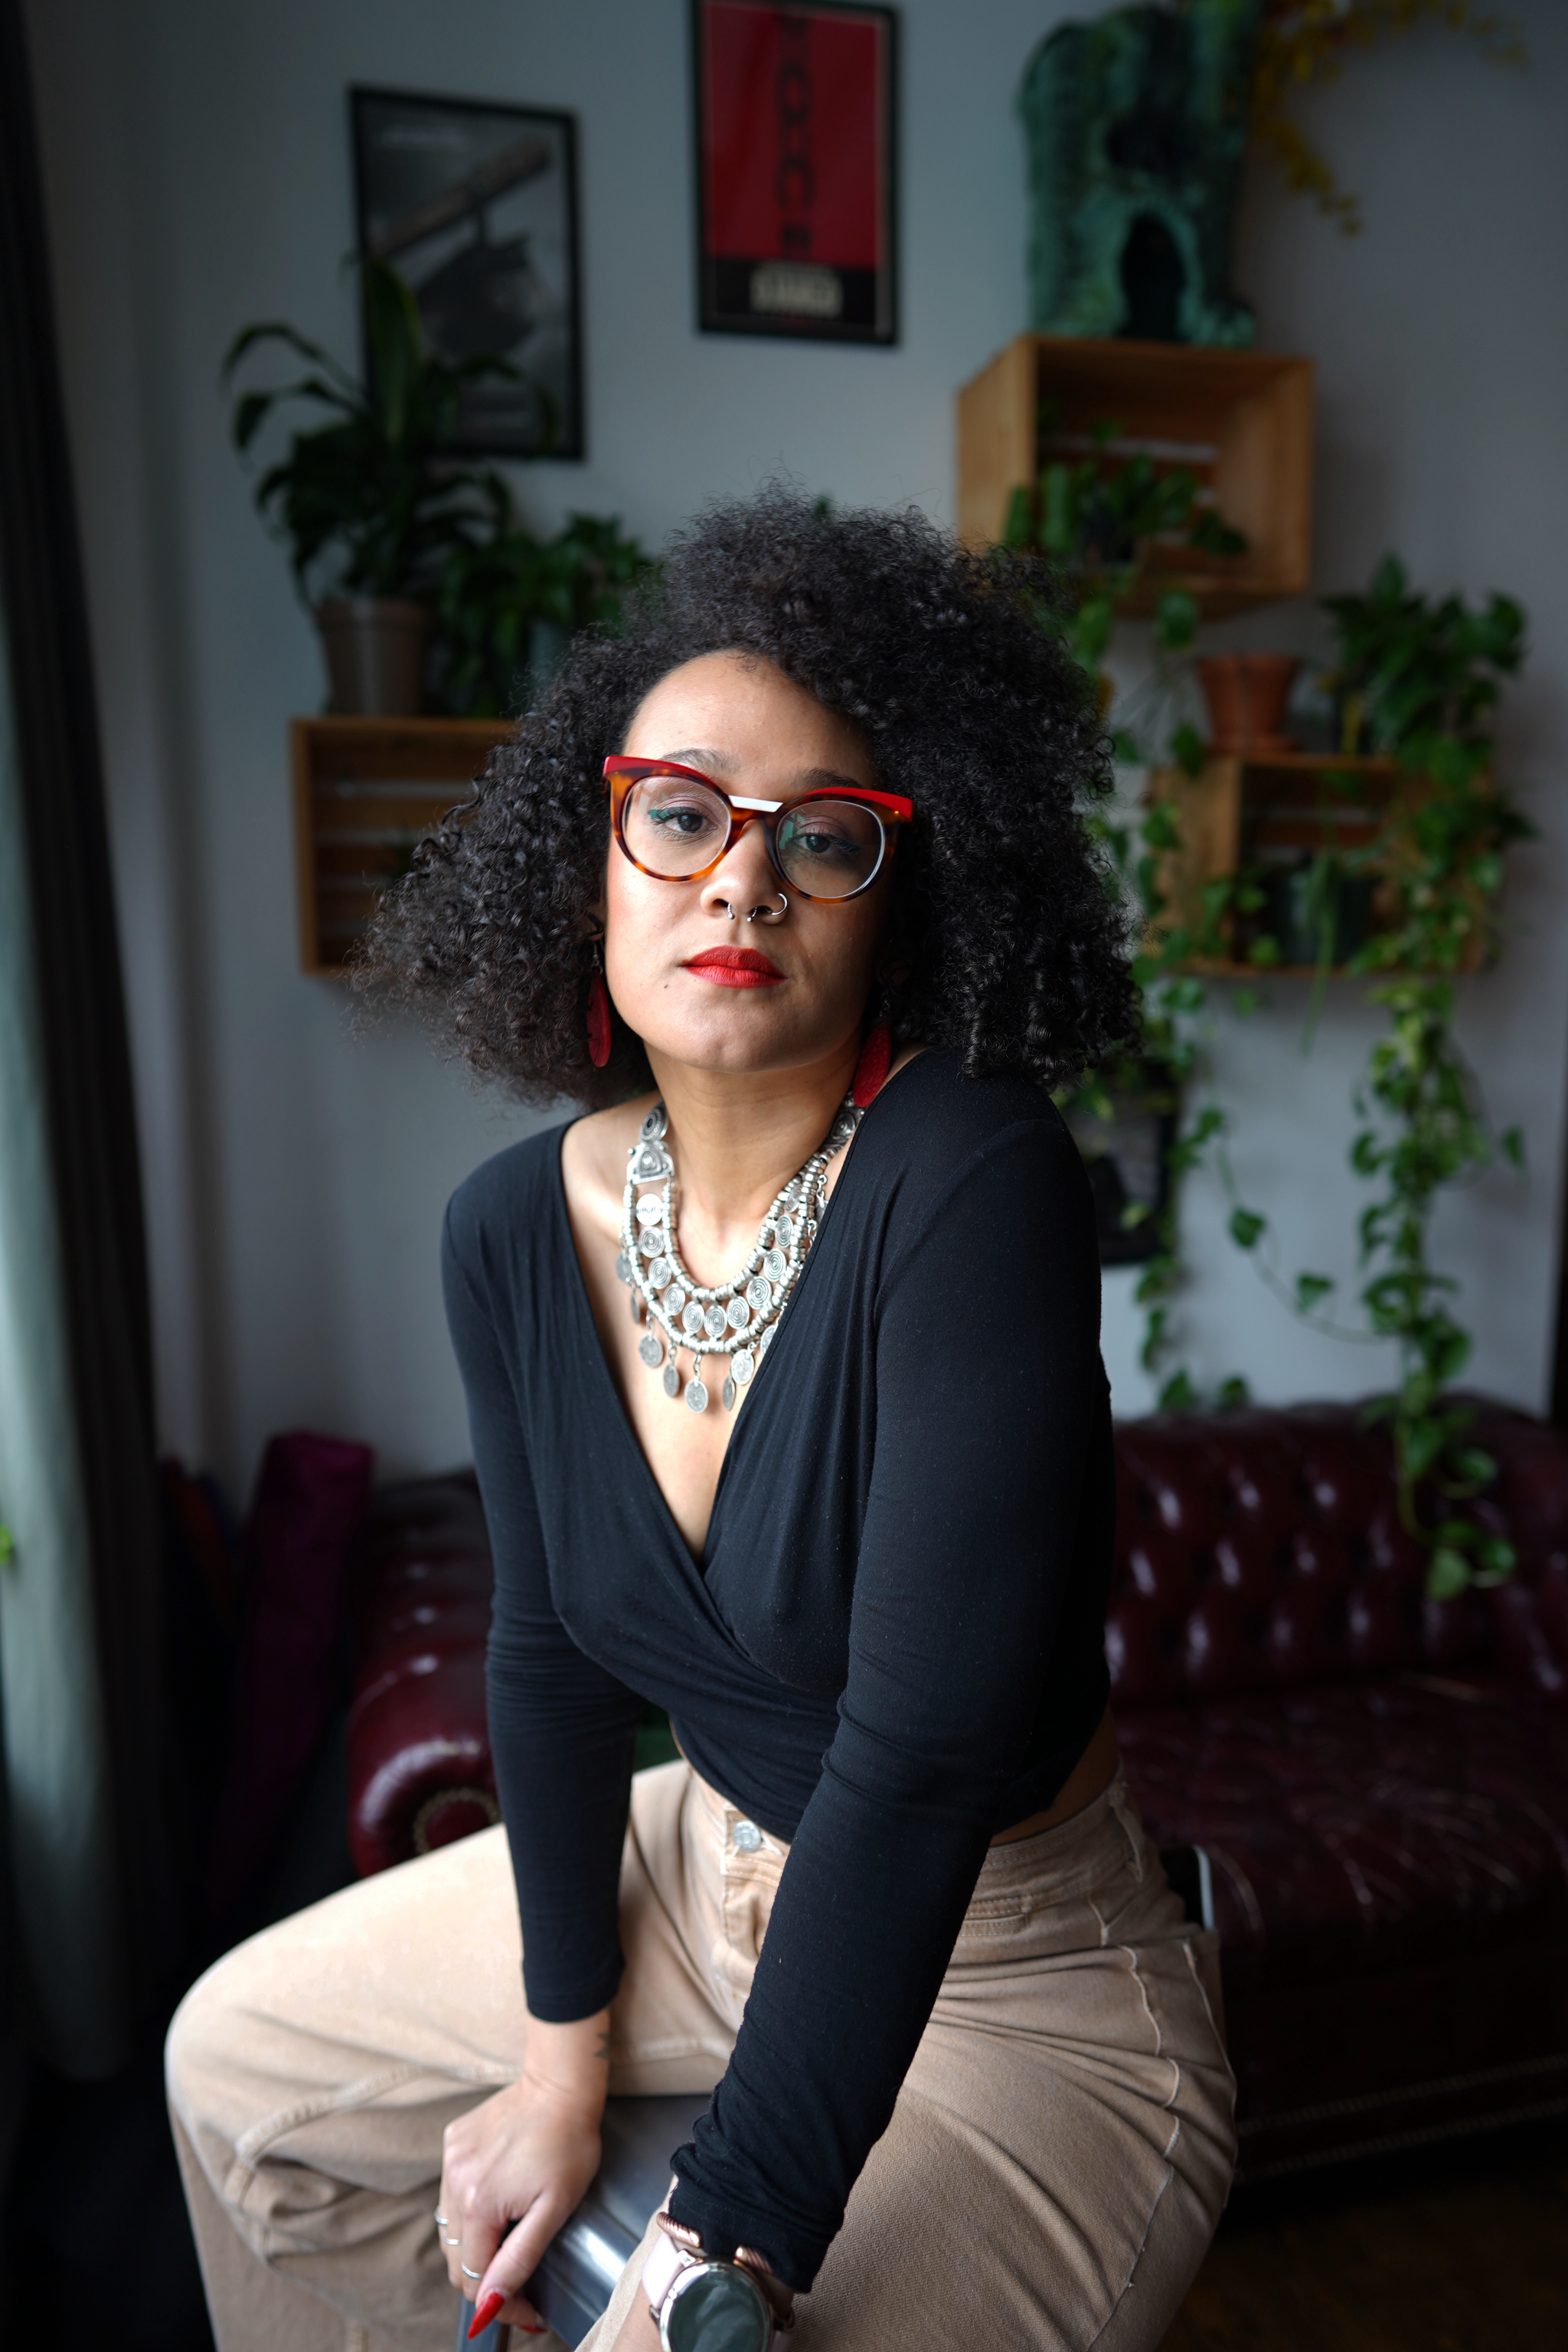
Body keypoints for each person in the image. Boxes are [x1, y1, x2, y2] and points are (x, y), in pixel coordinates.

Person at [167, 492, 1235, 2352]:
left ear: (904, 908)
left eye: (822, 840)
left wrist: (718, 2234)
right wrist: (559, 2053)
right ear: (587, 859)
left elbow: (913, 1759)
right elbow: (548, 1659)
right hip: (697, 1864)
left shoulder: (973, 1183)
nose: (740, 880)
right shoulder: (508, 1229)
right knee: (236, 2069)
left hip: (1010, 1970)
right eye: (681, 815)